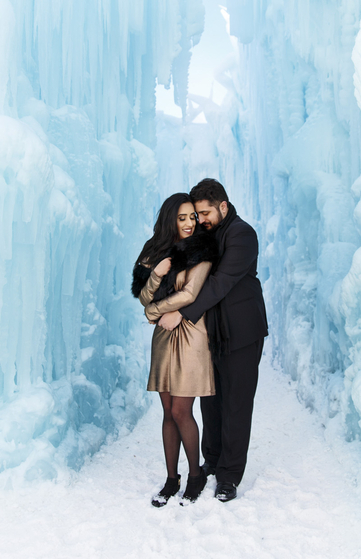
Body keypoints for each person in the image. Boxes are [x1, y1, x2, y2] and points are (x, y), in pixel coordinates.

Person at [156, 179, 268, 502]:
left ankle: (230, 476)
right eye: (197, 213)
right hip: (213, 332)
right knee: (210, 401)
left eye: (205, 213)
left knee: (236, 403)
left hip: (242, 333)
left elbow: (219, 283)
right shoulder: (206, 235)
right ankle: (213, 461)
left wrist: (182, 313)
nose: (200, 219)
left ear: (223, 206)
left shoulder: (242, 235)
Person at [132, 192, 220, 507]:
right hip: (163, 337)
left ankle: (195, 474)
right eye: (182, 218)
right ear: (171, 219)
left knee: (182, 410)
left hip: (190, 333)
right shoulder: (155, 251)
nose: (188, 223)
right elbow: (142, 296)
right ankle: (172, 478)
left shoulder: (202, 250)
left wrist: (156, 312)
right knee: (168, 411)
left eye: (192, 217)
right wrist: (156, 273)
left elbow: (190, 293)